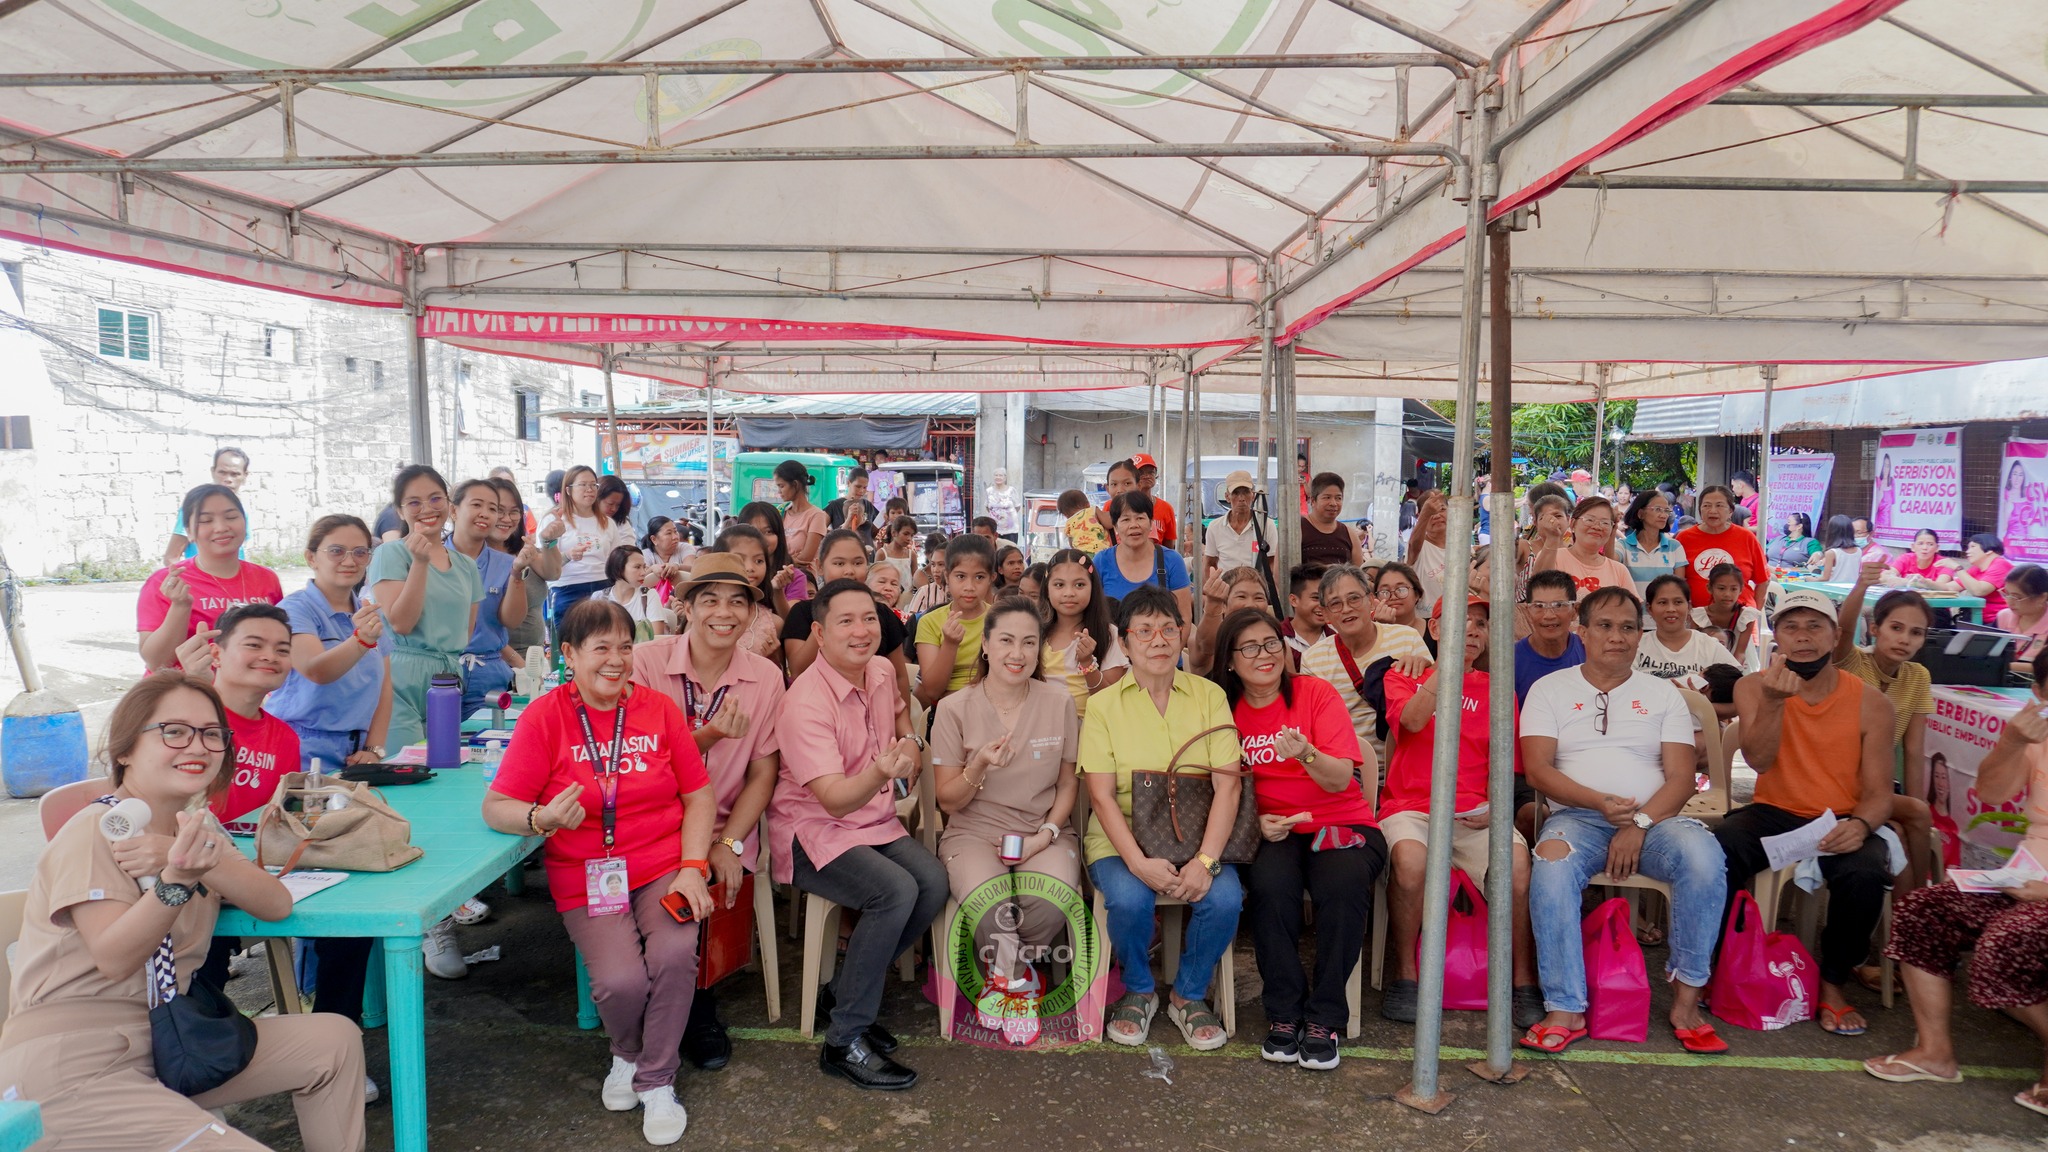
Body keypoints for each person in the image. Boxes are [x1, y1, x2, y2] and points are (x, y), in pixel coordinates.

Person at [0, 672, 365, 1151]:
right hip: (76, 1060)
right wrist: (177, 880)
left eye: (211, 734)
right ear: (126, 749)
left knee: (332, 1040)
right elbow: (115, 956)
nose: (197, 746)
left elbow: (274, 903)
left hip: (171, 1040)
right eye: (173, 731)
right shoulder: (94, 829)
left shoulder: (196, 827)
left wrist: (193, 857)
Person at [485, 598, 714, 1145]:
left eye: (625, 647)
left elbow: (698, 795)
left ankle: (657, 1079)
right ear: (569, 653)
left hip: (662, 863)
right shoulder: (546, 716)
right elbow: (498, 806)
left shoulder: (659, 711)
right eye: (601, 648)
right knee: (619, 981)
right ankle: (625, 1054)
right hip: (587, 869)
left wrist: (691, 868)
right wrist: (539, 817)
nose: (616, 660)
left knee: (676, 956)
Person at [1519, 586, 1730, 1054]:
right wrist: (1598, 803)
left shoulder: (1663, 696)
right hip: (1577, 818)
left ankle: (1687, 999)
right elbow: (1539, 769)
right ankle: (1565, 1006)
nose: (1617, 636)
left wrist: (1638, 823)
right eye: (1605, 626)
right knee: (1550, 865)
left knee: (1703, 858)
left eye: (1628, 627)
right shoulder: (1549, 690)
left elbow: (1679, 779)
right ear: (1583, 631)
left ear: (1640, 635)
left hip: (1656, 822)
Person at [768, 579, 946, 1090]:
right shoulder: (806, 702)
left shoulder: (881, 671)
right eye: (845, 621)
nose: (861, 630)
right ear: (819, 634)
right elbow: (832, 799)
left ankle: (845, 990)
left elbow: (898, 729)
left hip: (870, 819)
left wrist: (909, 743)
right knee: (895, 891)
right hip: (814, 832)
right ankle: (844, 1038)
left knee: (932, 882)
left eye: (869, 618)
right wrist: (882, 771)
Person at [1867, 659, 2048, 1119]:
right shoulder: (2036, 736)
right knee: (1924, 911)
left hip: (2038, 892)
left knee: (2006, 944)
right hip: (2025, 877)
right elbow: (1990, 792)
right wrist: (2012, 741)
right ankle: (1934, 1053)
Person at [630, 554, 786, 1071]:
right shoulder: (647, 662)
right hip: (648, 820)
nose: (725, 612)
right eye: (711, 600)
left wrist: (730, 842)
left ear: (750, 615)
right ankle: (642, 1002)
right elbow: (637, 757)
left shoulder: (764, 676)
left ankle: (698, 1008)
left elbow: (763, 772)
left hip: (722, 823)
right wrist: (710, 734)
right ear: (686, 606)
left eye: (738, 602)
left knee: (712, 880)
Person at [1716, 589, 1896, 1036]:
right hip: (1775, 810)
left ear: (1835, 637)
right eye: (1791, 627)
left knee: (1865, 870)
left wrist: (1861, 824)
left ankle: (1833, 983)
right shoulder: (1754, 686)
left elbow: (1878, 793)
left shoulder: (1871, 702)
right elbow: (1758, 761)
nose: (1803, 638)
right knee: (1720, 847)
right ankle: (1728, 961)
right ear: (1775, 636)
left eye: (1815, 626)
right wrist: (1775, 702)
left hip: (1840, 817)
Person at [1211, 608, 1381, 1069]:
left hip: (1341, 822)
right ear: (1229, 660)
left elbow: (1340, 778)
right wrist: (1255, 824)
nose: (1263, 655)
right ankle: (1284, 1012)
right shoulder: (1223, 710)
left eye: (1271, 643)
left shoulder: (1315, 693)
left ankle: (1325, 1016)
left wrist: (1306, 753)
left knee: (1343, 885)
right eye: (1249, 647)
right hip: (1272, 831)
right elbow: (1216, 789)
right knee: (1270, 887)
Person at [1081, 586, 1243, 1051]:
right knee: (1130, 900)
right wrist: (1137, 863)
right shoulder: (1103, 705)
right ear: (1124, 642)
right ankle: (1138, 988)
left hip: (1195, 835)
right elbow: (1102, 796)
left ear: (1182, 635)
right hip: (1122, 839)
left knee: (1225, 898)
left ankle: (1187, 994)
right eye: (1145, 631)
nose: (1159, 640)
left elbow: (1227, 784)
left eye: (1169, 629)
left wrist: (1207, 860)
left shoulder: (1209, 696)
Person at [1378, 595, 1543, 1030]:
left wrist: (1496, 808)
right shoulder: (1404, 674)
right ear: (1434, 630)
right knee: (1410, 863)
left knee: (1519, 865)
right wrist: (1444, 671)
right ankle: (1406, 976)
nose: (1471, 629)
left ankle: (1522, 981)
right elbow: (1411, 723)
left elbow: (1503, 763)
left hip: (1476, 814)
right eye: (1459, 621)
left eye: (1480, 624)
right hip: (1413, 807)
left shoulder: (1498, 689)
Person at [931, 598, 1081, 1024]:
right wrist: (977, 764)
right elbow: (948, 800)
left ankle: (1001, 972)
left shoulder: (1059, 702)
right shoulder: (953, 708)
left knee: (1050, 900)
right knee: (989, 901)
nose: (1018, 654)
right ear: (985, 645)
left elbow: (1068, 783)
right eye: (1007, 641)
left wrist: (1045, 835)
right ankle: (1015, 981)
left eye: (1029, 643)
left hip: (1042, 828)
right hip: (973, 832)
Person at [1835, 567, 1939, 895]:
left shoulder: (1918, 676)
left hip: (1878, 788)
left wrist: (1912, 807)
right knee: (1916, 815)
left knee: (1904, 827)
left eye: (1916, 632)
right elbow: (1842, 629)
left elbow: (1913, 750)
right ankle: (1921, 907)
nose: (1905, 639)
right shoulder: (1852, 663)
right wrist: (1862, 584)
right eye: (1896, 628)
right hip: (1835, 781)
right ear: (1875, 628)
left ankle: (1911, 914)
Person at [368, 465, 483, 751]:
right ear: (400, 510)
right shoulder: (389, 553)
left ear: (448, 503)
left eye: (435, 498)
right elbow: (400, 623)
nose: (426, 509)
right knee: (404, 767)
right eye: (414, 502)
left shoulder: (466, 565)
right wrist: (420, 563)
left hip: (448, 679)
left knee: (444, 770)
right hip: (399, 681)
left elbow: (465, 634)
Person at [269, 516, 394, 770]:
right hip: (301, 748)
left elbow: (385, 685)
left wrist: (373, 748)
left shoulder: (368, 611)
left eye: (360, 553)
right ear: (311, 558)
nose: (349, 561)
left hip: (356, 752)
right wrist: (360, 640)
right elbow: (317, 670)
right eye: (336, 551)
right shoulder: (294, 610)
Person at [1299, 564, 1433, 775]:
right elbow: (1317, 728)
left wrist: (1424, 668)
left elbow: (1433, 707)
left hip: (1410, 767)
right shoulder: (1313, 659)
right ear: (1325, 614)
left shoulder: (1407, 638)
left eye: (1354, 598)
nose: (1346, 608)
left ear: (1371, 600)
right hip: (1351, 772)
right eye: (1335, 603)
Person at [138, 484, 283, 672]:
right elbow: (157, 662)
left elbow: (280, 643)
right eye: (206, 520)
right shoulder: (166, 582)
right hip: (188, 694)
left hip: (248, 696)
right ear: (189, 532)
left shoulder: (266, 578)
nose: (221, 527)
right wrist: (180, 607)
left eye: (231, 517)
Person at [783, 530, 912, 699]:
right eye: (839, 564)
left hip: (874, 707)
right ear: (820, 566)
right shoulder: (802, 612)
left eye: (858, 563)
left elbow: (899, 676)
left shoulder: (882, 614)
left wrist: (903, 722)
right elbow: (798, 669)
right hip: (818, 707)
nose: (849, 571)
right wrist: (829, 612)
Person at [450, 480, 526, 718]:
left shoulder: (506, 563)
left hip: (489, 678)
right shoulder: (430, 559)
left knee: (488, 746)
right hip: (441, 673)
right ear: (453, 510)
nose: (486, 514)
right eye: (477, 505)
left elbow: (511, 620)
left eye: (493, 508)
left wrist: (517, 574)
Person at [547, 465, 638, 633]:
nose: (589, 490)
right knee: (569, 645)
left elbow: (616, 560)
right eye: (583, 485)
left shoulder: (608, 522)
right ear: (568, 490)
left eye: (593, 485)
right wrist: (567, 555)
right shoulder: (554, 520)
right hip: (567, 589)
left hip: (603, 587)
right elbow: (544, 565)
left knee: (603, 641)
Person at [1039, 549, 1127, 716]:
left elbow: (1110, 700)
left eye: (1079, 585)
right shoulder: (1035, 632)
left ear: (1093, 588)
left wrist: (1087, 664)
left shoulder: (1108, 634)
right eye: (1059, 585)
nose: (1069, 593)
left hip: (1089, 730)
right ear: (1047, 589)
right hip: (1042, 729)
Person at [916, 533, 997, 708]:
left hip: (995, 708)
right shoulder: (930, 622)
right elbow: (932, 690)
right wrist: (950, 644)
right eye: (960, 576)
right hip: (948, 712)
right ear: (947, 576)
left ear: (992, 578)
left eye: (979, 577)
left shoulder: (1000, 619)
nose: (969, 587)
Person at [1635, 574, 1739, 705]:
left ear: (1689, 607)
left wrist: (1699, 706)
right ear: (1649, 609)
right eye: (1662, 602)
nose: (1671, 609)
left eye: (1678, 602)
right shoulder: (1636, 646)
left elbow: (1740, 699)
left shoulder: (1709, 645)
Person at [1094, 490, 1192, 620]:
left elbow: (1184, 618)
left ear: (1151, 523)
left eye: (1140, 518)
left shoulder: (1172, 560)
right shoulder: (1101, 561)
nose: (1134, 525)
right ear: (1115, 527)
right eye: (1125, 519)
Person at [706, 523, 787, 663]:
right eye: (740, 559)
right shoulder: (703, 616)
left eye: (759, 561)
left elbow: (780, 678)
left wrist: (774, 658)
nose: (750, 568)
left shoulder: (774, 623)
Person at [500, 476, 563, 657]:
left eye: (514, 511)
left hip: (533, 655)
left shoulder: (524, 548)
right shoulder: (477, 557)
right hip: (496, 659)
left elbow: (553, 573)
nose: (507, 518)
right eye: (498, 510)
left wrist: (549, 541)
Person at [1679, 485, 1767, 610]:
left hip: (1740, 619)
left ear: (1731, 511)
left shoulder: (1746, 537)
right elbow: (1676, 581)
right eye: (1706, 506)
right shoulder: (1684, 538)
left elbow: (1763, 581)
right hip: (1696, 618)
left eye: (1719, 505)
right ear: (1699, 510)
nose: (1712, 511)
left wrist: (1752, 614)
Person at [162, 446, 251, 566]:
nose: (228, 479)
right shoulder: (196, 508)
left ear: (245, 476)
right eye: (222, 473)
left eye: (234, 474)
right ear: (213, 472)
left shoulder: (241, 511)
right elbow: (172, 557)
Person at [1538, 496, 1635, 598]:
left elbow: (1631, 609)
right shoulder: (1554, 556)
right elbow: (1538, 592)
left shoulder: (1619, 570)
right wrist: (1552, 538)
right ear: (1573, 524)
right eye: (1589, 520)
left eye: (1605, 523)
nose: (1597, 527)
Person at [1513, 570, 1586, 706]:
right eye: (1539, 606)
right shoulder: (1510, 661)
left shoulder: (1588, 652)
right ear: (1528, 611)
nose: (1549, 615)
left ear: (1575, 611)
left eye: (1558, 605)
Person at [1188, 566, 1273, 676]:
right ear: (1223, 604)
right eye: (1241, 597)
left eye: (1259, 598)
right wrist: (1214, 602)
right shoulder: (1197, 641)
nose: (1251, 604)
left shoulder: (1276, 642)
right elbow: (1207, 646)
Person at [1204, 469, 1277, 584]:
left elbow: (1272, 563)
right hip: (1225, 590)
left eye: (1246, 492)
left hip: (1256, 589)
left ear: (1253, 495)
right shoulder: (1215, 527)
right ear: (1227, 497)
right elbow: (1209, 563)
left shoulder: (1267, 525)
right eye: (1236, 493)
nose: (1241, 498)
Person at [1693, 562, 1763, 666]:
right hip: (1705, 666)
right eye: (1721, 588)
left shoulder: (1747, 616)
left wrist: (1729, 675)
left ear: (1741, 590)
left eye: (1733, 589)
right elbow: (1695, 651)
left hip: (1739, 667)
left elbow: (1740, 653)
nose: (1727, 594)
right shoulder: (1697, 616)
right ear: (1709, 588)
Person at [602, 545, 675, 641]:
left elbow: (656, 639)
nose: (643, 572)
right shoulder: (600, 598)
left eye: (644, 567)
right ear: (619, 569)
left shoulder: (649, 595)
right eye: (637, 567)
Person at [1619, 489, 1687, 589]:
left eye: (1666, 510)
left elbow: (1679, 588)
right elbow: (1609, 560)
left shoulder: (1675, 546)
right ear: (1641, 513)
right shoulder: (1623, 546)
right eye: (1658, 509)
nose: (1664, 515)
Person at [740, 501, 804, 604]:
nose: (761, 538)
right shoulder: (733, 573)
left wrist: (777, 591)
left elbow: (792, 619)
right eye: (753, 532)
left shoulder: (793, 576)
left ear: (779, 535)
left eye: (768, 532)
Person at [1302, 472, 1364, 568]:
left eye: (1338, 498)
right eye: (1327, 497)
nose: (1333, 503)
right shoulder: (1297, 531)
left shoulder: (1350, 535)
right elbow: (1280, 575)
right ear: (1313, 501)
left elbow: (1358, 575)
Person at [1998, 563, 2048, 679]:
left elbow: (2045, 669)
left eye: (2017, 597)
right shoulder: (2003, 617)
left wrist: (2005, 666)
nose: (2010, 602)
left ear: (2042, 597)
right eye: (2007, 594)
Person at [1406, 490, 1448, 613]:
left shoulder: (1462, 548)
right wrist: (1425, 513)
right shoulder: (1419, 548)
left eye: (1442, 509)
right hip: (1427, 621)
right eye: (1431, 513)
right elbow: (1413, 544)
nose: (1436, 516)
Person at [1956, 533, 2015, 621]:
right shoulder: (1976, 568)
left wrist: (1957, 568)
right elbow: (1949, 587)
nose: (1967, 551)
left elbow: (1979, 591)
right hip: (1978, 617)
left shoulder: (2001, 565)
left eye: (1973, 547)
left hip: (1997, 622)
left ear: (1988, 550)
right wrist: (1927, 581)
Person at [1282, 562, 1329, 664]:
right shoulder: (1277, 638)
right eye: (1316, 598)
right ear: (1294, 600)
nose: (1323, 604)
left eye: (1327, 598)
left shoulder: (1340, 637)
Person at [1884, 527, 1959, 590]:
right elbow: (1886, 576)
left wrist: (1907, 582)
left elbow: (1941, 586)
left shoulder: (1945, 563)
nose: (1925, 548)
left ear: (1937, 548)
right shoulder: (1905, 558)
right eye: (1920, 543)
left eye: (1930, 544)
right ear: (1913, 547)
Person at [1370, 561, 1428, 637]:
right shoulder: (1368, 635)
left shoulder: (1435, 628)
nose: (1393, 597)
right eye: (1385, 592)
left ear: (1416, 594)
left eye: (1401, 590)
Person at [1130, 454, 1176, 547]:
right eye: (1141, 472)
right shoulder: (1115, 506)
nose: (1147, 476)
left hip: (1156, 559)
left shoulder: (1166, 508)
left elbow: (1169, 546)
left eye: (1151, 472)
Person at [875, 515, 920, 605]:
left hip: (907, 600)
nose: (909, 538)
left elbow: (915, 579)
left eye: (911, 535)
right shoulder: (882, 554)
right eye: (906, 534)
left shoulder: (911, 555)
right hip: (886, 598)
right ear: (894, 533)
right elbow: (877, 578)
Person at [827, 468, 881, 535]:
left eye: (865, 487)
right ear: (848, 483)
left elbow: (874, 531)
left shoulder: (868, 505)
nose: (861, 491)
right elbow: (822, 529)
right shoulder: (834, 505)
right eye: (858, 486)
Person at [1059, 488, 1111, 554]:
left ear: (1065, 514)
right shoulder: (1092, 511)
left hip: (1081, 555)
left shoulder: (1068, 524)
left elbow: (1072, 544)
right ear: (1087, 504)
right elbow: (1108, 523)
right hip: (1100, 551)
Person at [1813, 514, 1863, 581]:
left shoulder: (1831, 553)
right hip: (1853, 588)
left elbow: (1825, 578)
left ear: (1831, 531)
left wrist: (1809, 579)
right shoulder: (1858, 550)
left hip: (1833, 588)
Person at [983, 467, 1021, 542]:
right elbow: (987, 506)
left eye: (1001, 475)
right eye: (996, 475)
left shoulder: (1011, 490)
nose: (998, 477)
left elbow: (1017, 507)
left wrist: (1007, 514)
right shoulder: (989, 491)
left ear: (1005, 477)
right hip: (995, 528)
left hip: (1010, 529)